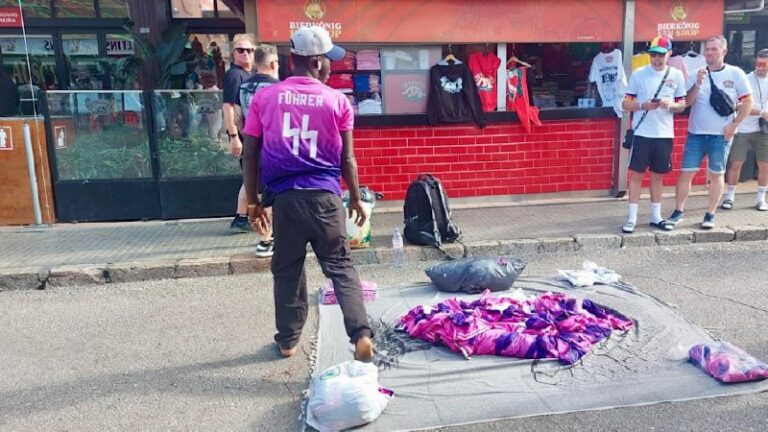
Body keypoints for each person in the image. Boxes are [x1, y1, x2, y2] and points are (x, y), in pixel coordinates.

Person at [242, 26, 374, 361]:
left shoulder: (265, 97)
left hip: (285, 200)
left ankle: (287, 342)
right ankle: (360, 334)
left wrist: (254, 201)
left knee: (287, 269)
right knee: (341, 267)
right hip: (326, 200)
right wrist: (355, 197)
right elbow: (347, 157)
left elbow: (251, 152)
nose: (332, 66)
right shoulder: (337, 101)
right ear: (316, 62)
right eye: (329, 60)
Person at [667, 35, 753, 230]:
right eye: (707, 50)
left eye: (714, 49)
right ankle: (678, 211)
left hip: (720, 135)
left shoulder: (735, 73)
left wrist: (735, 125)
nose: (709, 53)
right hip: (696, 133)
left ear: (724, 51)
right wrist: (697, 84)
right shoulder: (697, 73)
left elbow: (748, 103)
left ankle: (710, 213)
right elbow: (686, 103)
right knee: (686, 174)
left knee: (717, 174)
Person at [620, 36, 687, 233]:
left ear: (670, 54)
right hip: (642, 133)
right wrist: (642, 105)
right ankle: (631, 218)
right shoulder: (639, 74)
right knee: (636, 176)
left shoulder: (676, 75)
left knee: (658, 176)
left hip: (664, 133)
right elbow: (625, 103)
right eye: (653, 55)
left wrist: (671, 105)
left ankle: (655, 216)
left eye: (661, 55)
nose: (656, 59)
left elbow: (682, 105)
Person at [238, 44, 280, 257]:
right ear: (273, 63)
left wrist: (238, 136)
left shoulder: (244, 86)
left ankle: (264, 237)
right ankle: (268, 239)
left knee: (255, 188)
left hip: (251, 142)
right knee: (271, 193)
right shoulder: (277, 88)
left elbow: (238, 116)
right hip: (272, 145)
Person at [722, 48, 768, 212]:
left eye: (764, 65)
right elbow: (740, 105)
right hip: (743, 127)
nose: (761, 68)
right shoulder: (747, 79)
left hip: (763, 130)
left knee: (764, 165)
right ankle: (729, 197)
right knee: (736, 163)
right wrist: (762, 112)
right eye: (758, 64)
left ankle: (761, 199)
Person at [222, 33, 257, 233]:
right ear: (233, 53)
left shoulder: (249, 74)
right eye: (241, 50)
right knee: (251, 176)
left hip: (251, 134)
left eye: (249, 50)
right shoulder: (235, 75)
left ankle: (247, 216)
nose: (245, 54)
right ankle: (241, 218)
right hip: (244, 135)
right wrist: (234, 136)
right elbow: (229, 107)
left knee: (253, 176)